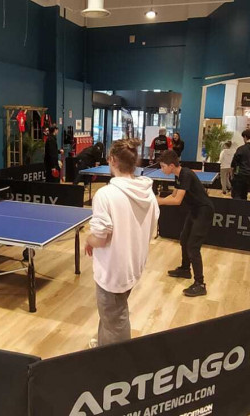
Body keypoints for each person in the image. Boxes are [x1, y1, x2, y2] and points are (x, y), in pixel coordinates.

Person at [85, 138, 159, 347]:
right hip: (133, 265)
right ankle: (103, 344)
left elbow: (100, 238)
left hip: (112, 271)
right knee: (112, 314)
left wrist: (88, 239)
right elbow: (152, 228)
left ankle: (117, 361)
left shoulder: (105, 195)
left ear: (112, 160)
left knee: (115, 320)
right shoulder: (148, 193)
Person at [156, 150, 214, 297]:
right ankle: (185, 269)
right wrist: (157, 201)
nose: (162, 169)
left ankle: (200, 284)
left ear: (171, 165)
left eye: (163, 166)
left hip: (203, 211)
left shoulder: (186, 175)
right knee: (184, 239)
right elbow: (173, 194)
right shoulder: (178, 175)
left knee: (193, 247)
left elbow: (177, 201)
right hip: (194, 210)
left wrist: (158, 201)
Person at [231, 129, 250, 200]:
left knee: (236, 194)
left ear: (245, 137)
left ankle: (235, 207)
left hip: (241, 174)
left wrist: (232, 173)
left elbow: (234, 162)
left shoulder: (241, 149)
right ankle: (243, 206)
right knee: (244, 193)